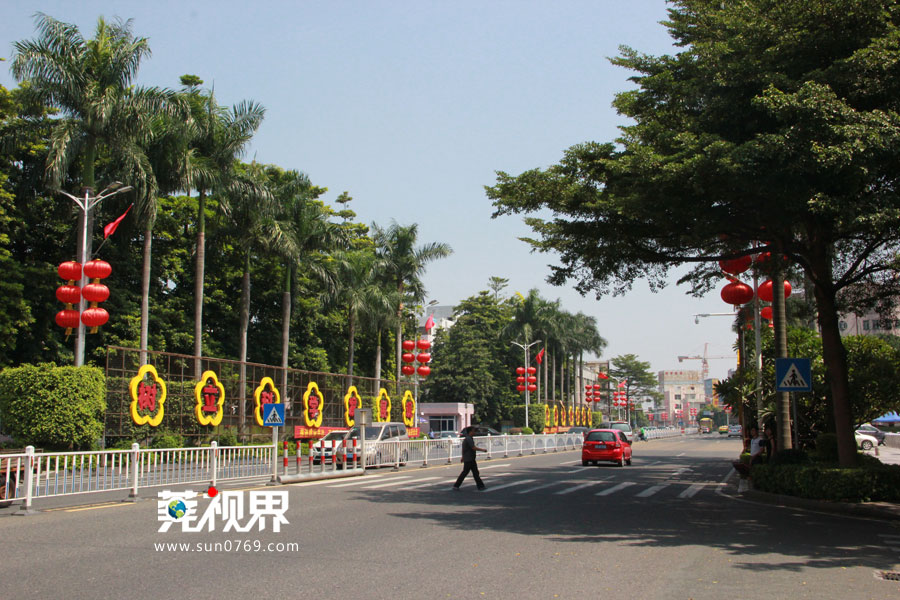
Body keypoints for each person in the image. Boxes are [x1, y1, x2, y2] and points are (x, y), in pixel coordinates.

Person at [452, 426, 487, 490]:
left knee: (475, 473)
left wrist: (463, 457)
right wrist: (483, 450)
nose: (475, 432)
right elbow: (473, 447)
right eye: (473, 431)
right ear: (470, 432)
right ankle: (456, 485)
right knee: (467, 472)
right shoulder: (468, 439)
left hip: (470, 458)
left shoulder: (469, 438)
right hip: (469, 459)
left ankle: (480, 486)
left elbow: (464, 449)